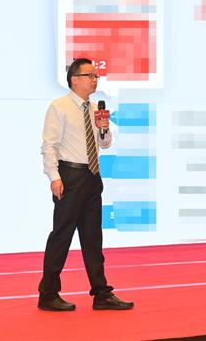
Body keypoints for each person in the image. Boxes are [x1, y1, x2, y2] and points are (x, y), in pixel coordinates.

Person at [38, 58, 134, 311]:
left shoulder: (94, 108)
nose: (94, 80)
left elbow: (105, 144)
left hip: (92, 176)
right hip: (70, 176)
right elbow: (49, 145)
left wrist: (104, 128)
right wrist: (54, 177)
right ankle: (48, 293)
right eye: (89, 75)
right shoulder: (59, 107)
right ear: (74, 79)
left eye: (96, 76)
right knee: (62, 235)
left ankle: (101, 293)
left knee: (93, 238)